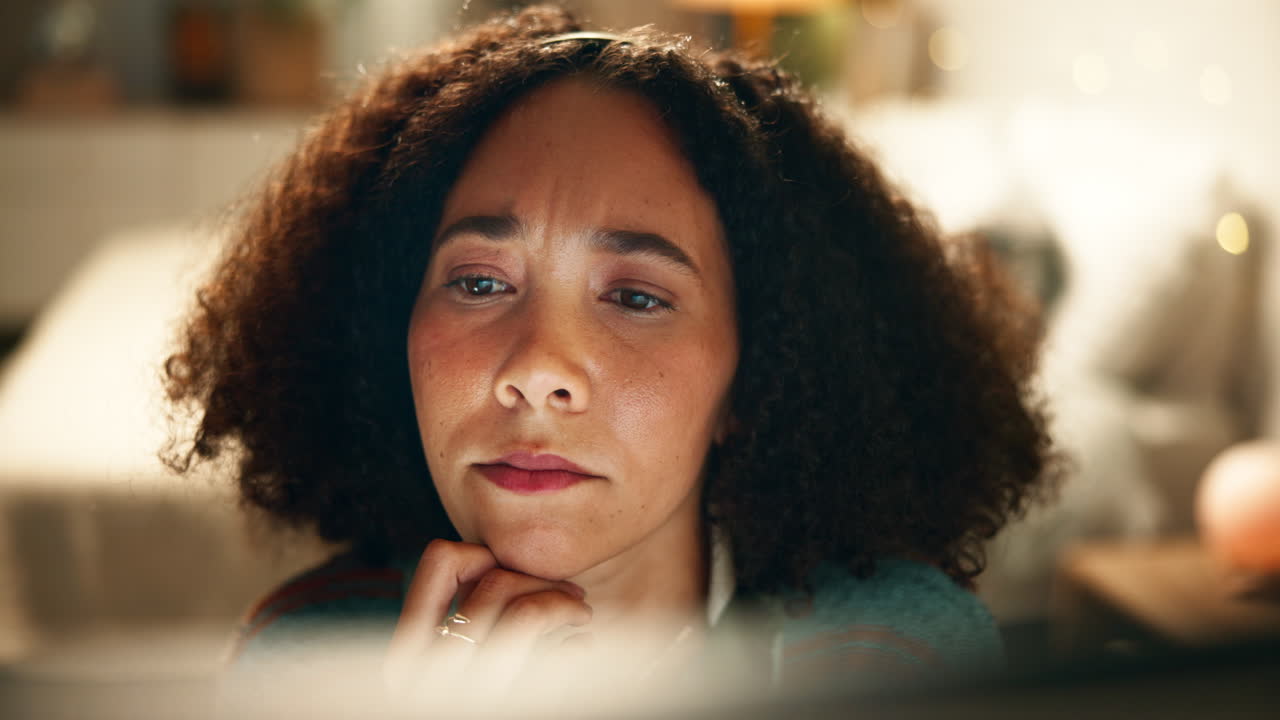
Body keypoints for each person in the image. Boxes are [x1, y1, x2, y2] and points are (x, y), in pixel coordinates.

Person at [161, 4, 1058, 711]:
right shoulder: (303, 661)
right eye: (477, 282)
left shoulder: (894, 649)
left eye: (635, 296)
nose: (539, 366)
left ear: (751, 380)